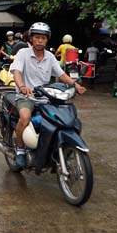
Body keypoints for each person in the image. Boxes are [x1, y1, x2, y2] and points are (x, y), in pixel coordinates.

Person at [9, 22, 85, 171]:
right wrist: (23, 87)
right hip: (27, 97)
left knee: (66, 119)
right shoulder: (23, 54)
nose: (39, 41)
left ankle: (54, 148)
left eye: (43, 38)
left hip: (46, 98)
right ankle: (20, 150)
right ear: (31, 39)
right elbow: (16, 71)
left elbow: (61, 75)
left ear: (47, 40)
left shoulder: (50, 56)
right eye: (37, 37)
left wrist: (76, 86)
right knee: (25, 117)